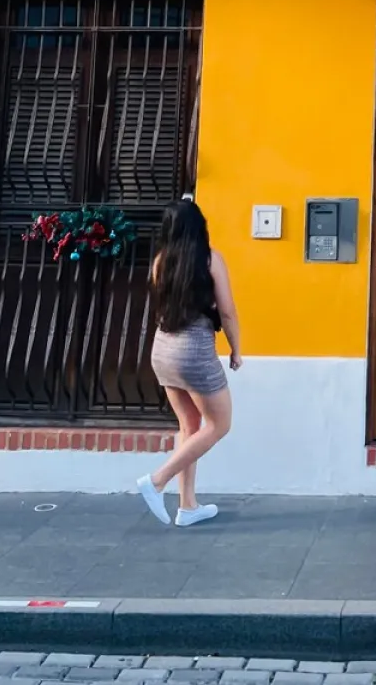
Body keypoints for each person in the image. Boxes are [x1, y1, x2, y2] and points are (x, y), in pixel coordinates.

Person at [136, 198, 242, 527]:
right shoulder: (210, 260)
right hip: (194, 351)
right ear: (199, 227)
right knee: (219, 425)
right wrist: (236, 349)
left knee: (189, 427)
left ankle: (188, 506)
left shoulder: (159, 261)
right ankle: (157, 481)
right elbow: (226, 311)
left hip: (162, 349)